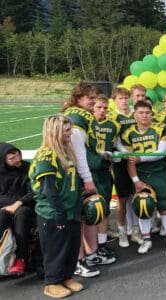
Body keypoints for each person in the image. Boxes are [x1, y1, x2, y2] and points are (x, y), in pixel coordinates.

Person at [30, 115, 84, 298]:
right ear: (55, 132)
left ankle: (66, 276)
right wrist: (59, 213)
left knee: (72, 246)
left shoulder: (67, 151)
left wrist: (77, 205)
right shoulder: (47, 155)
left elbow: (74, 182)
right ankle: (52, 282)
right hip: (53, 212)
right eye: (67, 130)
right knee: (56, 249)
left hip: (70, 210)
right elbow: (48, 190)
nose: (71, 133)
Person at [61, 83, 107, 278]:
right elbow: (78, 154)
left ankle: (90, 254)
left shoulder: (79, 117)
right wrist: (88, 180)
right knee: (78, 219)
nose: (94, 101)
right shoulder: (76, 119)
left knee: (85, 217)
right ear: (78, 99)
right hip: (73, 177)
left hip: (76, 173)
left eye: (95, 97)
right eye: (90, 98)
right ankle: (78, 261)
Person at [121, 101, 166, 254]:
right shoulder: (128, 133)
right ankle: (146, 240)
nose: (144, 115)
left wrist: (141, 159)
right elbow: (130, 160)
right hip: (141, 175)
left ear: (151, 114)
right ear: (135, 115)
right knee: (142, 208)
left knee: (164, 207)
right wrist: (136, 180)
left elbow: (161, 152)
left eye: (147, 112)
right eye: (141, 112)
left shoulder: (160, 128)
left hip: (159, 173)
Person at [107, 87, 141, 248]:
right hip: (121, 160)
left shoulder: (135, 112)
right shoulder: (113, 116)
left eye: (126, 98)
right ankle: (122, 232)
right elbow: (115, 141)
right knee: (122, 198)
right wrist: (123, 151)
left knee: (136, 194)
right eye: (120, 98)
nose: (124, 101)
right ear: (114, 100)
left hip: (136, 158)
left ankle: (135, 230)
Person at [89, 95, 121, 261]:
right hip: (89, 171)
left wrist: (116, 154)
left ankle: (102, 245)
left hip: (104, 171)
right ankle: (91, 247)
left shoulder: (113, 125)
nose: (102, 111)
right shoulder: (87, 123)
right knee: (91, 210)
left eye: (105, 108)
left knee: (105, 209)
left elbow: (115, 146)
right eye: (99, 107)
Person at [0, 142, 34, 274]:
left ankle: (21, 258)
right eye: (12, 158)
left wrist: (18, 203)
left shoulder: (27, 167)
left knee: (22, 214)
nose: (17, 159)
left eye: (17, 154)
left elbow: (33, 192)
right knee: (2, 215)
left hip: (24, 204)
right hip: (4, 206)